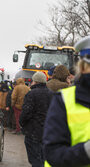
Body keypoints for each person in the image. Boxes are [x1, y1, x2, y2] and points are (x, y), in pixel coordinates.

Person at [43, 36, 90, 167]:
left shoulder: (51, 88)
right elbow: (53, 153)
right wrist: (86, 151)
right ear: (83, 67)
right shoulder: (64, 99)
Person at [19, 72, 53, 167]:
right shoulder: (52, 94)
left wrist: (21, 123)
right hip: (47, 131)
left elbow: (26, 112)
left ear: (35, 81)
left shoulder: (31, 94)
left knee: (35, 159)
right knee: (44, 158)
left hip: (33, 131)